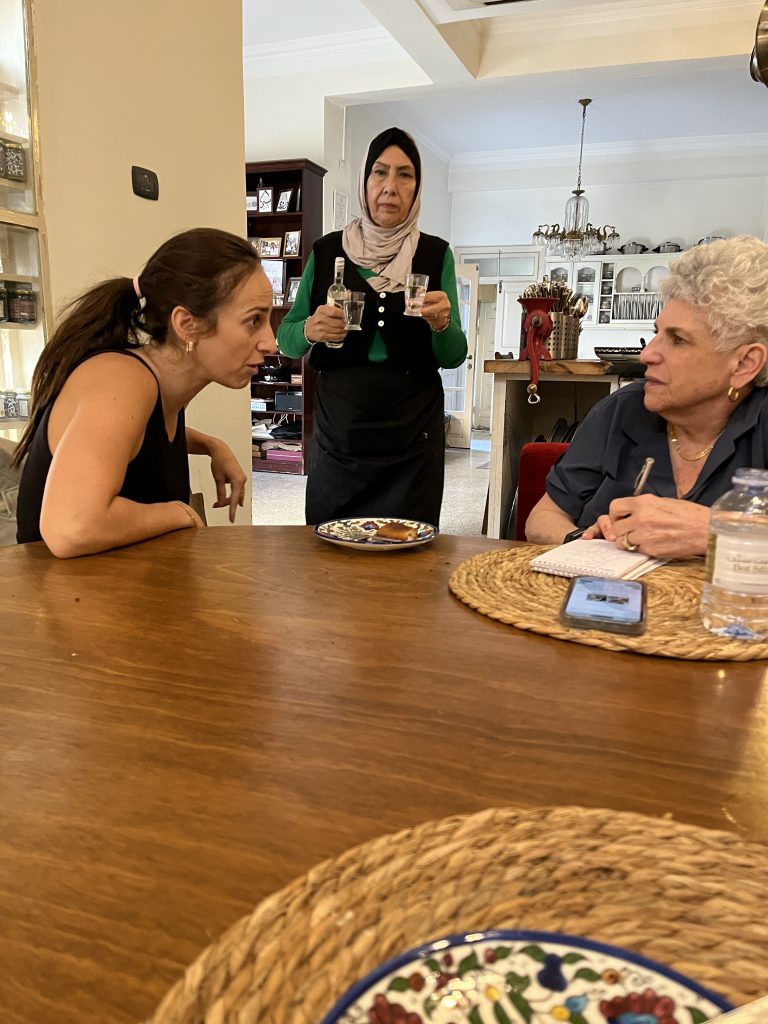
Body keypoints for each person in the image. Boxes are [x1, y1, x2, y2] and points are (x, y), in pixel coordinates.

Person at [13, 227, 276, 557]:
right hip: (50, 601)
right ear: (186, 325)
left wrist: (211, 445)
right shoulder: (122, 380)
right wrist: (181, 513)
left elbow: (134, 435)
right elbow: (71, 528)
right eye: (253, 320)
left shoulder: (158, 386)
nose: (270, 342)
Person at [525, 235, 768, 559]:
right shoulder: (621, 411)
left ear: (744, 363)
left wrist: (713, 531)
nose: (647, 355)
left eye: (678, 340)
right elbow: (541, 520)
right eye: (657, 333)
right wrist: (588, 544)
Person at [277, 127, 467, 526]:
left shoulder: (435, 255)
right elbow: (287, 340)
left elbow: (453, 355)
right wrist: (310, 329)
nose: (390, 187)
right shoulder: (327, 252)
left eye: (405, 175)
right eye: (379, 173)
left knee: (408, 547)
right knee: (330, 545)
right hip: (341, 428)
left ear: (417, 188)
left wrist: (443, 324)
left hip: (414, 432)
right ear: (364, 181)